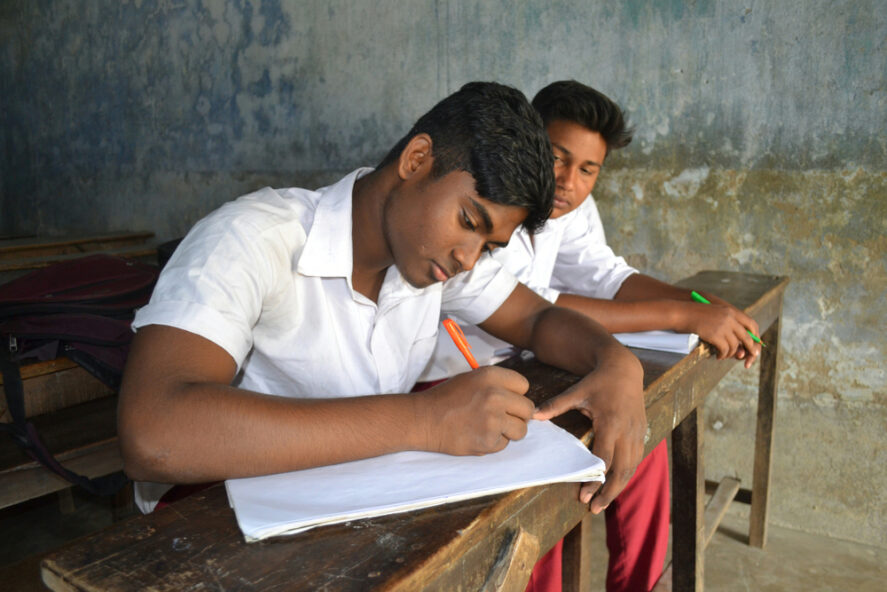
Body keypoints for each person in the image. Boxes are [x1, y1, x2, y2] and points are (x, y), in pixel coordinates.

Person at [117, 80, 647, 547]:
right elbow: (154, 433)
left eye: (488, 245)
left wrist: (618, 365)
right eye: (468, 220)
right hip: (215, 527)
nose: (468, 257)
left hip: (350, 513)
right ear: (416, 160)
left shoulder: (435, 262)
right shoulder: (253, 238)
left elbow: (537, 319)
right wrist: (423, 418)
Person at [420, 80, 762, 592]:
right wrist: (678, 314)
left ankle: (638, 586)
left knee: (635, 441)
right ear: (532, 143)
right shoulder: (498, 201)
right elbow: (536, 305)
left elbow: (607, 277)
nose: (568, 182)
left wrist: (699, 305)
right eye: (558, 158)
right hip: (458, 375)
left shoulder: (572, 209)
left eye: (588, 170)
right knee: (553, 485)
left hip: (533, 364)